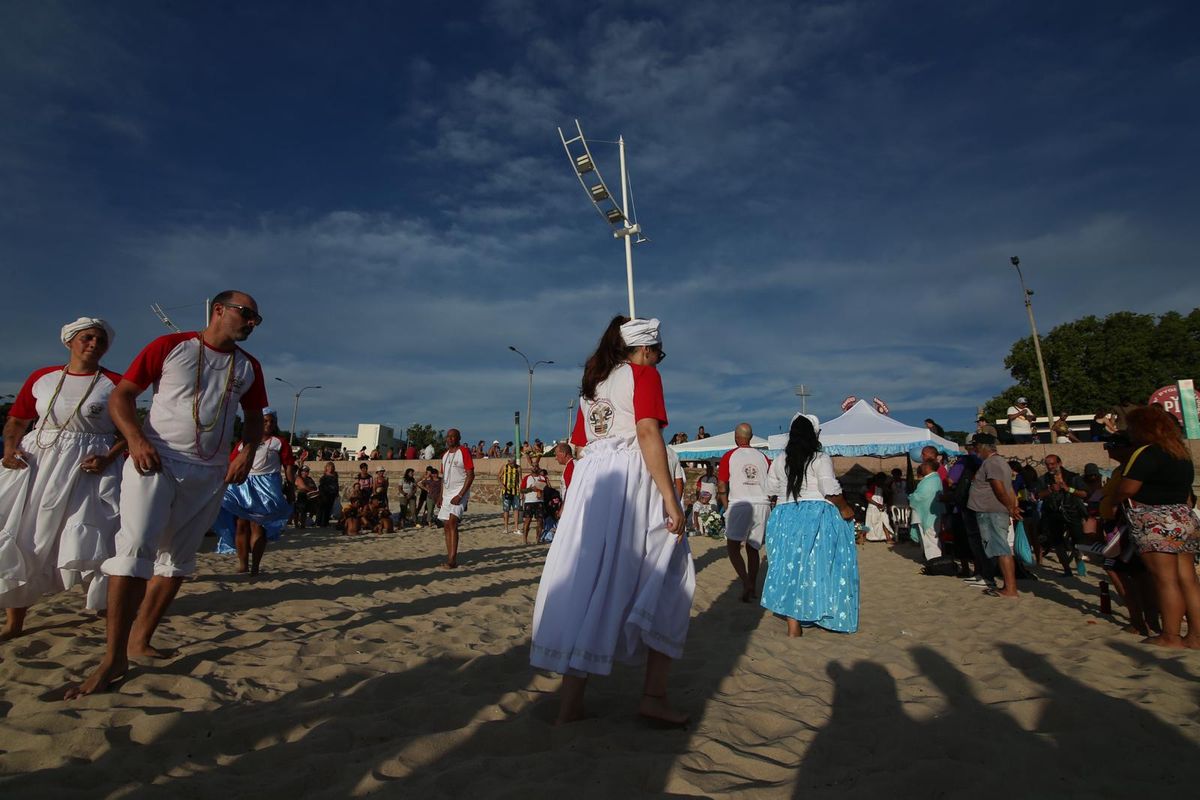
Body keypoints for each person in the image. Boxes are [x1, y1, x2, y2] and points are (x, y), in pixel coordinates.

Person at [66, 290, 267, 698]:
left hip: (209, 472)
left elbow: (253, 417)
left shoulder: (249, 367)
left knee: (177, 561)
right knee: (135, 547)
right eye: (246, 314)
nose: (252, 323)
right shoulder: (170, 346)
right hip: (155, 460)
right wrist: (136, 440)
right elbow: (123, 396)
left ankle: (140, 640)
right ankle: (112, 656)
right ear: (218, 310)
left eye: (256, 319)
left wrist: (245, 453)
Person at [531, 315, 691, 726]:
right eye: (658, 353)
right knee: (672, 575)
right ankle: (653, 696)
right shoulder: (643, 374)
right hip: (630, 480)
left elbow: (581, 446)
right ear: (643, 349)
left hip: (592, 485)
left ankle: (570, 705)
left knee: (589, 579)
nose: (658, 360)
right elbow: (647, 434)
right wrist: (670, 499)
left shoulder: (592, 385)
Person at [1, 318, 125, 639]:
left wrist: (108, 457)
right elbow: (18, 419)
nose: (94, 344)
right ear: (70, 341)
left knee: (98, 534)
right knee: (26, 535)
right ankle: (15, 621)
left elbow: (133, 432)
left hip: (89, 466)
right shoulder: (42, 378)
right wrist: (10, 447)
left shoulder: (115, 383)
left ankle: (104, 608)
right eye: (87, 337)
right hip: (38, 462)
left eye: (100, 339)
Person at [761, 414, 858, 636]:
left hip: (784, 515)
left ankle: (793, 620)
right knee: (816, 566)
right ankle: (816, 610)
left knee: (789, 567)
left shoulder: (779, 460)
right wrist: (845, 508)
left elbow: (770, 491)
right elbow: (829, 489)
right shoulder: (819, 458)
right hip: (815, 514)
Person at [1115, 405, 1200, 649]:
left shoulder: (1146, 453)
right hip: (1184, 516)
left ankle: (1170, 636)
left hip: (1154, 519)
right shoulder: (1180, 453)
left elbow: (1128, 488)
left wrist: (1113, 500)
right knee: (1189, 579)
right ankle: (1195, 636)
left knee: (1165, 580)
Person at [212, 408, 294, 575]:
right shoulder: (243, 443)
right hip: (242, 485)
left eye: (272, 421)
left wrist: (291, 487)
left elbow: (289, 467)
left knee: (258, 526)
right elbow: (232, 463)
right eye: (265, 421)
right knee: (241, 524)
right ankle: (243, 564)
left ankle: (255, 566)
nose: (269, 424)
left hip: (266, 487)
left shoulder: (279, 443)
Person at [717, 423, 771, 603]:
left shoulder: (729, 456)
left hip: (740, 503)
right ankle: (753, 586)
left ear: (736, 437)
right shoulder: (764, 457)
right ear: (751, 437)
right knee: (753, 548)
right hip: (762, 504)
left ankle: (746, 582)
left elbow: (722, 484)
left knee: (733, 548)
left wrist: (726, 505)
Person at [967, 434, 1021, 598]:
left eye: (975, 446)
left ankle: (1010, 589)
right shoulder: (998, 462)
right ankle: (1008, 586)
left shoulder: (992, 462)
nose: (974, 450)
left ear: (983, 446)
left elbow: (999, 488)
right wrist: (1012, 507)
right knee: (1000, 548)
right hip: (994, 511)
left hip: (992, 512)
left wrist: (1010, 507)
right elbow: (1009, 488)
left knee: (1001, 549)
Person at [1036, 454, 1086, 576]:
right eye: (1047, 464)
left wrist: (1069, 489)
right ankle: (1066, 569)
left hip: (1072, 511)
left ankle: (1079, 561)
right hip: (1053, 513)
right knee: (1057, 542)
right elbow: (1038, 495)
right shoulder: (1043, 479)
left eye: (1052, 464)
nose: (1050, 467)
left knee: (1077, 540)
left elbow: (1084, 494)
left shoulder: (1073, 477)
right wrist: (1050, 490)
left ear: (1059, 463)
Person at [439, 428, 473, 568]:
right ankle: (449, 557)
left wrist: (460, 495)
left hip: (459, 492)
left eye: (453, 436)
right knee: (446, 525)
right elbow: (442, 479)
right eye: (448, 436)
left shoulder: (464, 451)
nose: (450, 438)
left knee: (452, 522)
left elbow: (471, 475)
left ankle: (452, 560)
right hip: (446, 494)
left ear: (458, 438)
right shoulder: (444, 455)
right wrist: (440, 496)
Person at [908, 461, 945, 561]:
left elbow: (921, 496)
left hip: (928, 514)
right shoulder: (932, 479)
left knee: (930, 538)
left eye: (923, 465)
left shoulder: (931, 480)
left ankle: (935, 560)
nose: (921, 468)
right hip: (928, 513)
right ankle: (932, 560)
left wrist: (911, 497)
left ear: (927, 467)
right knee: (928, 538)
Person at [520, 463, 546, 545]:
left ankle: (537, 539)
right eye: (533, 466)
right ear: (531, 468)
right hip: (529, 502)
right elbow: (521, 490)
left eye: (536, 466)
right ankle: (525, 539)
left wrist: (541, 489)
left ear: (538, 468)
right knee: (527, 521)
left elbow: (545, 488)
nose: (535, 467)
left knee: (540, 521)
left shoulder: (542, 478)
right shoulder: (527, 478)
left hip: (540, 501)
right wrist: (530, 489)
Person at [498, 457, 521, 534]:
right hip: (506, 491)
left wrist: (521, 491)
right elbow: (498, 477)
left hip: (516, 491)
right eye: (511, 463)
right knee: (506, 510)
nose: (512, 464)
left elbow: (520, 479)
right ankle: (506, 528)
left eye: (514, 463)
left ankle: (516, 528)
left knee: (516, 509)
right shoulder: (504, 467)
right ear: (508, 461)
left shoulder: (518, 468)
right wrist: (501, 484)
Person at [316, 461, 339, 528]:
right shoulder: (324, 477)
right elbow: (321, 486)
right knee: (323, 509)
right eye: (329, 467)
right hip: (325, 494)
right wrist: (323, 494)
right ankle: (320, 522)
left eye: (331, 467)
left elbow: (336, 485)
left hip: (332, 494)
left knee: (329, 509)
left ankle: (325, 522)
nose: (330, 468)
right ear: (326, 468)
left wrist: (336, 492)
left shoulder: (335, 475)